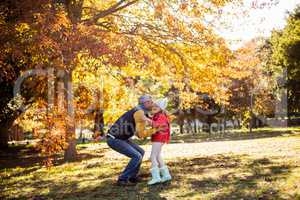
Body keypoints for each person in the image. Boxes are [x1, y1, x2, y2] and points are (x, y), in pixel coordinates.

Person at [106, 95, 165, 186]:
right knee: (136, 156)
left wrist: (153, 127)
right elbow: (141, 133)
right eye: (150, 101)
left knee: (141, 152)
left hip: (122, 138)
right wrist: (154, 128)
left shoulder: (141, 112)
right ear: (145, 103)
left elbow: (139, 134)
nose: (152, 103)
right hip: (114, 139)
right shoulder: (139, 112)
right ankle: (122, 179)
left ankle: (133, 177)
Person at [148, 98, 172, 185]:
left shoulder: (161, 116)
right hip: (159, 137)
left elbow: (158, 125)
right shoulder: (158, 115)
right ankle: (166, 175)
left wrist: (148, 121)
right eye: (153, 105)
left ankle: (156, 177)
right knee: (157, 156)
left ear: (161, 108)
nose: (154, 107)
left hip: (159, 137)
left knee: (152, 156)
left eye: (157, 106)